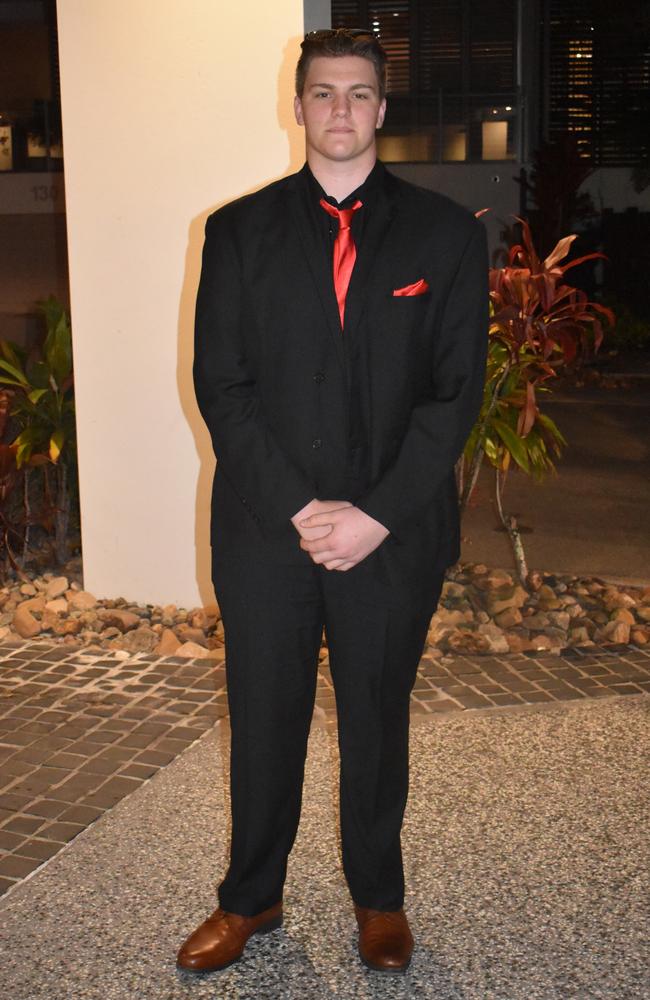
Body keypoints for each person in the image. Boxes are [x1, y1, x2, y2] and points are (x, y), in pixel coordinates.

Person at [177, 27, 488, 976]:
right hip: (269, 532)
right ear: (298, 105)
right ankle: (250, 900)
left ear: (382, 109)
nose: (340, 111)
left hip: (392, 534)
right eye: (323, 94)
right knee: (262, 717)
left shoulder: (444, 235)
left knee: (376, 719)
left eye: (359, 94)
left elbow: (454, 396)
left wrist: (376, 514)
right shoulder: (236, 231)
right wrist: (302, 511)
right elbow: (220, 386)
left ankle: (379, 899)